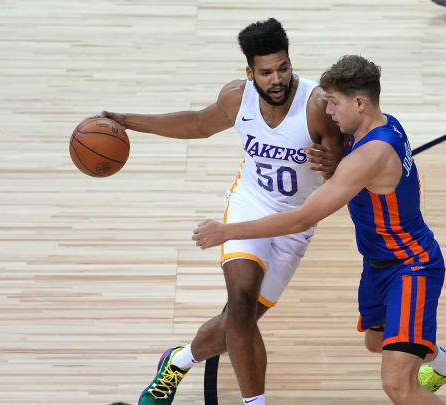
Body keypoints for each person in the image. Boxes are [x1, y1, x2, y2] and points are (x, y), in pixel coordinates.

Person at [193, 55, 446, 404]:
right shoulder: (382, 125)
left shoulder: (369, 155)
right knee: (377, 341)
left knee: (398, 384)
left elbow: (302, 217)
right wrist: (335, 162)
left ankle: (434, 366)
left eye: (334, 103)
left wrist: (227, 232)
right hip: (379, 265)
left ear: (359, 102)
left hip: (412, 267)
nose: (327, 112)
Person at [100, 18, 343, 405]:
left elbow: (340, 169)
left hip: (296, 221)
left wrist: (331, 164)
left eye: (283, 67)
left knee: (238, 322)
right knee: (242, 301)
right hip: (250, 204)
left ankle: (177, 361)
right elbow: (197, 124)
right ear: (250, 73)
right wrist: (128, 122)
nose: (277, 79)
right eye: (266, 72)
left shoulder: (317, 106)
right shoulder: (236, 98)